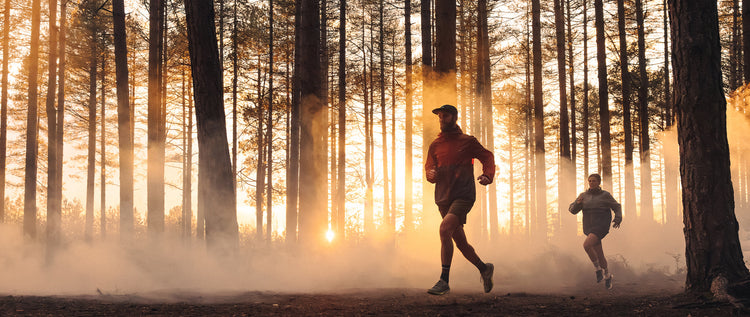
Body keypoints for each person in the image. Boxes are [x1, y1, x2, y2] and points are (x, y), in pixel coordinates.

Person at [425, 104, 495, 296]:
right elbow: (429, 169)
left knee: (444, 229)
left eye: (445, 116)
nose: (441, 119)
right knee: (460, 243)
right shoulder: (435, 145)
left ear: (454, 118)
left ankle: (444, 281)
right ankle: (484, 268)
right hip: (443, 198)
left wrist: (488, 175)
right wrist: (430, 174)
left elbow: (487, 156)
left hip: (463, 195)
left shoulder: (467, 141)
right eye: (439, 116)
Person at [569, 173, 622, 290]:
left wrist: (618, 218)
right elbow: (572, 210)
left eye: (594, 181)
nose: (591, 183)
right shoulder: (583, 195)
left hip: (601, 225)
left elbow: (617, 206)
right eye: (590, 181)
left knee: (586, 245)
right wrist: (577, 203)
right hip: (589, 226)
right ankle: (607, 276)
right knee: (600, 254)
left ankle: (598, 270)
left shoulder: (605, 195)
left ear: (599, 182)